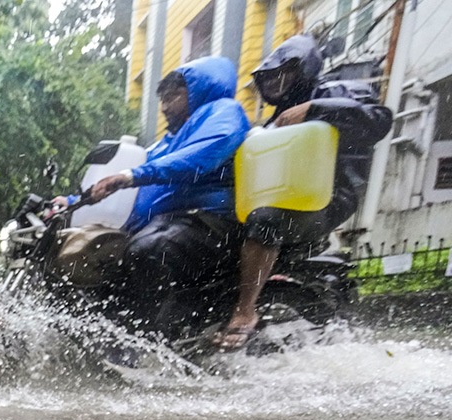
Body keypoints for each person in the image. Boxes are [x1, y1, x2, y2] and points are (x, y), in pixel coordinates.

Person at [214, 35, 393, 349]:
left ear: (304, 68)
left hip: (325, 199)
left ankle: (244, 312)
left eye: (282, 74)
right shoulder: (275, 117)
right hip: (280, 196)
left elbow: (380, 120)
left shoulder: (336, 91)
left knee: (266, 218)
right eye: (267, 77)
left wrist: (313, 109)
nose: (273, 82)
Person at [57, 56, 250, 338]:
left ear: (199, 91)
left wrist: (130, 175)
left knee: (148, 250)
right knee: (104, 254)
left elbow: (198, 159)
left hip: (209, 221)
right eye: (162, 99)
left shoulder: (223, 113)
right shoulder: (167, 142)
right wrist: (73, 202)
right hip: (168, 222)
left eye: (173, 97)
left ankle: (147, 341)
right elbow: (131, 190)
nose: (164, 107)